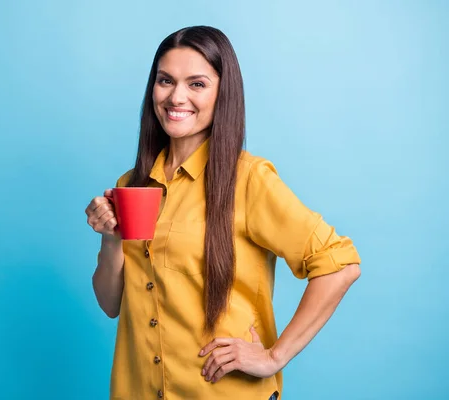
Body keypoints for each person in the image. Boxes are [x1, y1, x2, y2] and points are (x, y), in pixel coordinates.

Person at [85, 25, 361, 400]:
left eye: (196, 84)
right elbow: (110, 303)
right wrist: (111, 238)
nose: (176, 96)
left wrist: (274, 356)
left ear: (222, 92)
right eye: (165, 80)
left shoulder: (247, 180)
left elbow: (340, 264)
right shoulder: (132, 184)